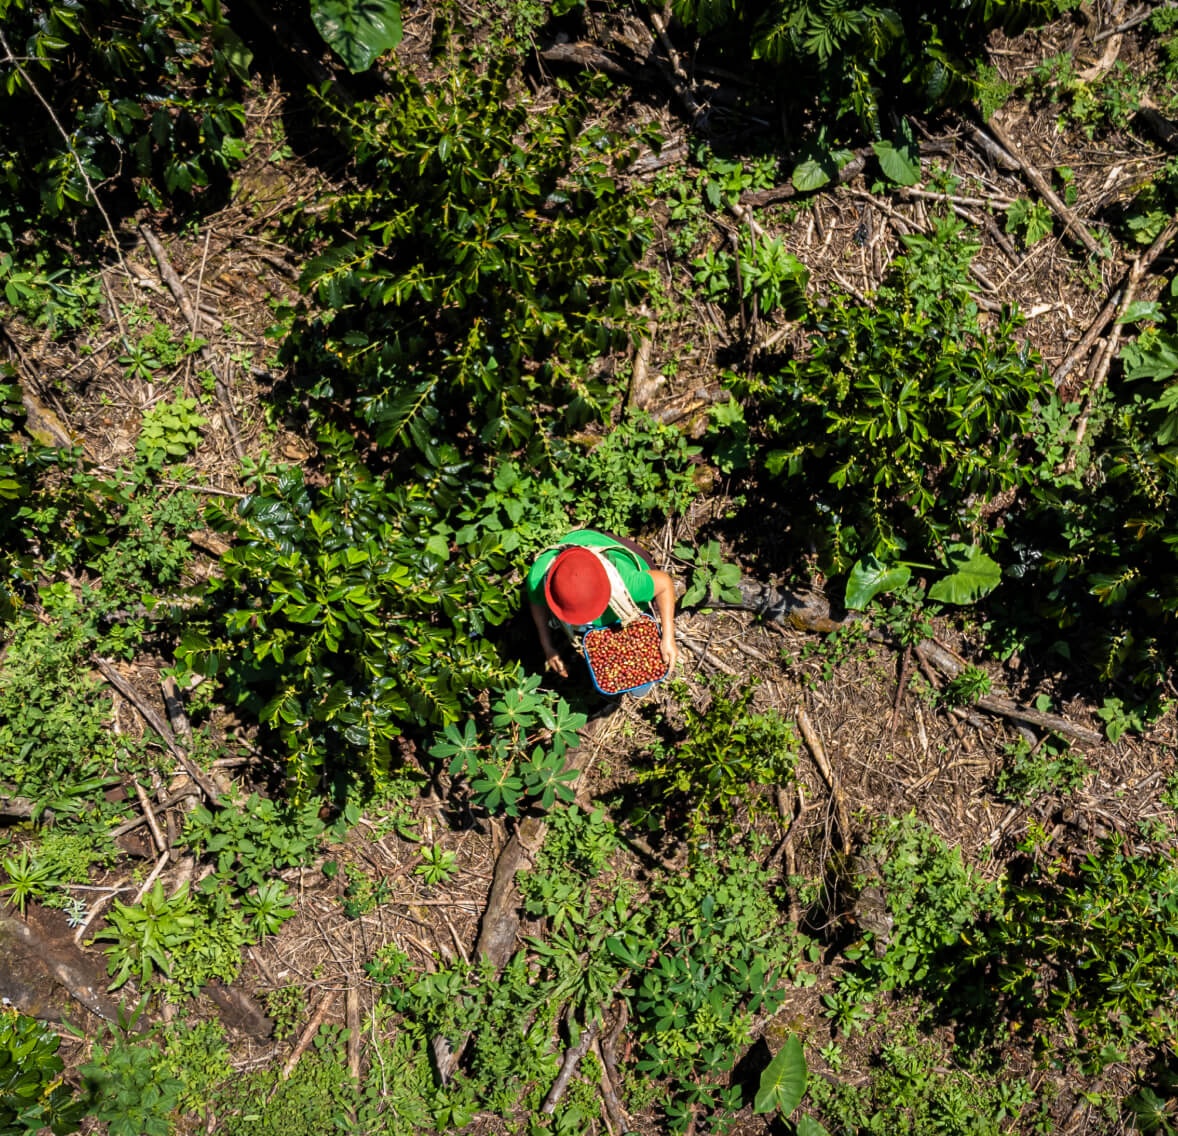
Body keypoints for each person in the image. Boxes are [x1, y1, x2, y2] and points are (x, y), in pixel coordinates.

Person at [526, 529, 678, 679]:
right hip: (581, 547)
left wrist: (668, 636)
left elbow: (664, 584)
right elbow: (536, 601)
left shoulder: (628, 584)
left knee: (652, 612)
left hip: (615, 553)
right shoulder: (538, 578)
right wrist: (547, 647)